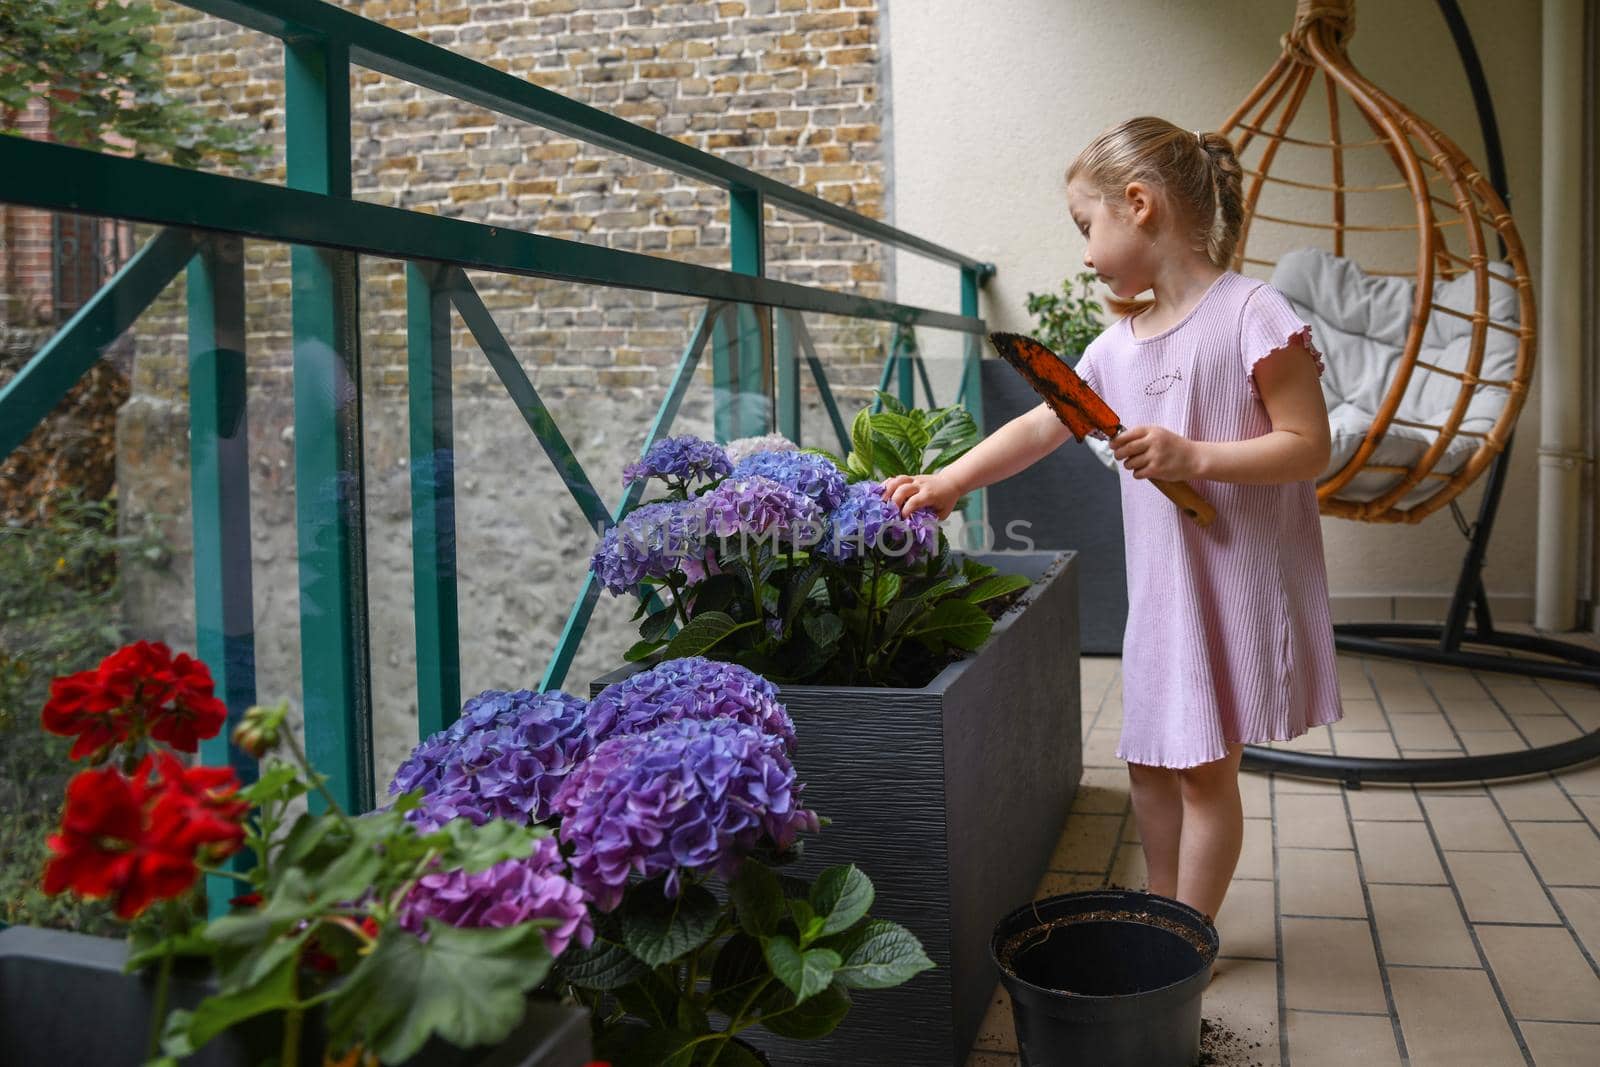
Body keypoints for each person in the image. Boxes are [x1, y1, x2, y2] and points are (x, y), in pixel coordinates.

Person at [879, 116, 1343, 925]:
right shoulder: (1114, 349)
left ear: (1139, 204)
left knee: (1203, 769)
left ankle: (1184, 938)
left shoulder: (1252, 314)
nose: (1085, 253)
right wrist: (950, 480)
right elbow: (1042, 424)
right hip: (1164, 594)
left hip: (1230, 585)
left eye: (1085, 227)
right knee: (1150, 766)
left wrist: (1194, 455)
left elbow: (1309, 448)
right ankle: (1163, 910)